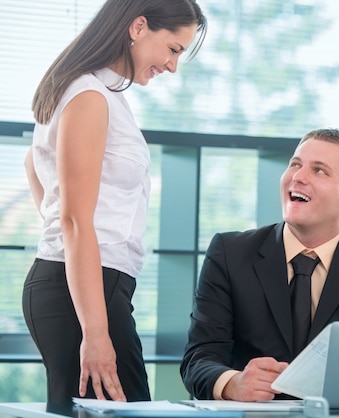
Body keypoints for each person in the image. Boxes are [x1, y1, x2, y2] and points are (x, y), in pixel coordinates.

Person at [22, 0, 206, 406]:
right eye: (173, 49)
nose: (173, 66)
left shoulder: (96, 91)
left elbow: (33, 163)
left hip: (85, 285)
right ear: (139, 27)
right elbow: (73, 218)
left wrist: (62, 229)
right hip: (87, 292)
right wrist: (96, 333)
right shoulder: (89, 94)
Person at [180, 128, 339, 402]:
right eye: (295, 164)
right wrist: (233, 383)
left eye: (319, 171)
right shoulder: (229, 253)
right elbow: (198, 359)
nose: (298, 176)